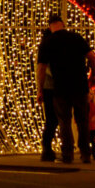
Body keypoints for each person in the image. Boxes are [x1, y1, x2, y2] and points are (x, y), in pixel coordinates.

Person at [37, 13, 95, 164]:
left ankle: (68, 154)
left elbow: (41, 68)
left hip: (61, 88)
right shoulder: (76, 37)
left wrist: (40, 89)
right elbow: (91, 56)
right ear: (62, 24)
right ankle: (85, 153)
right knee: (82, 120)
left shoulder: (47, 42)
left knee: (64, 121)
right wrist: (93, 74)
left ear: (50, 26)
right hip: (80, 85)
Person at [37, 29, 58, 162]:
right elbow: (44, 70)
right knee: (53, 119)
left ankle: (47, 148)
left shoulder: (42, 50)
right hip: (51, 88)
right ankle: (46, 148)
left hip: (47, 88)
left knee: (52, 119)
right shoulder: (48, 50)